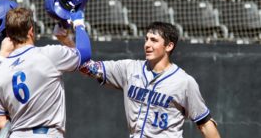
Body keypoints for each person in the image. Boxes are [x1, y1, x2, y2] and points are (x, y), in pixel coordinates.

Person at [79, 22, 221, 138]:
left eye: (154, 40)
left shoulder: (184, 82)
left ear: (169, 46)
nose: (147, 44)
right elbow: (87, 67)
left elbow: (205, 125)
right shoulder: (129, 69)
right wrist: (75, 27)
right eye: (146, 39)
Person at [0, 7, 91, 138]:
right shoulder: (49, 55)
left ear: (8, 35)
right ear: (31, 31)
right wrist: (78, 23)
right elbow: (84, 55)